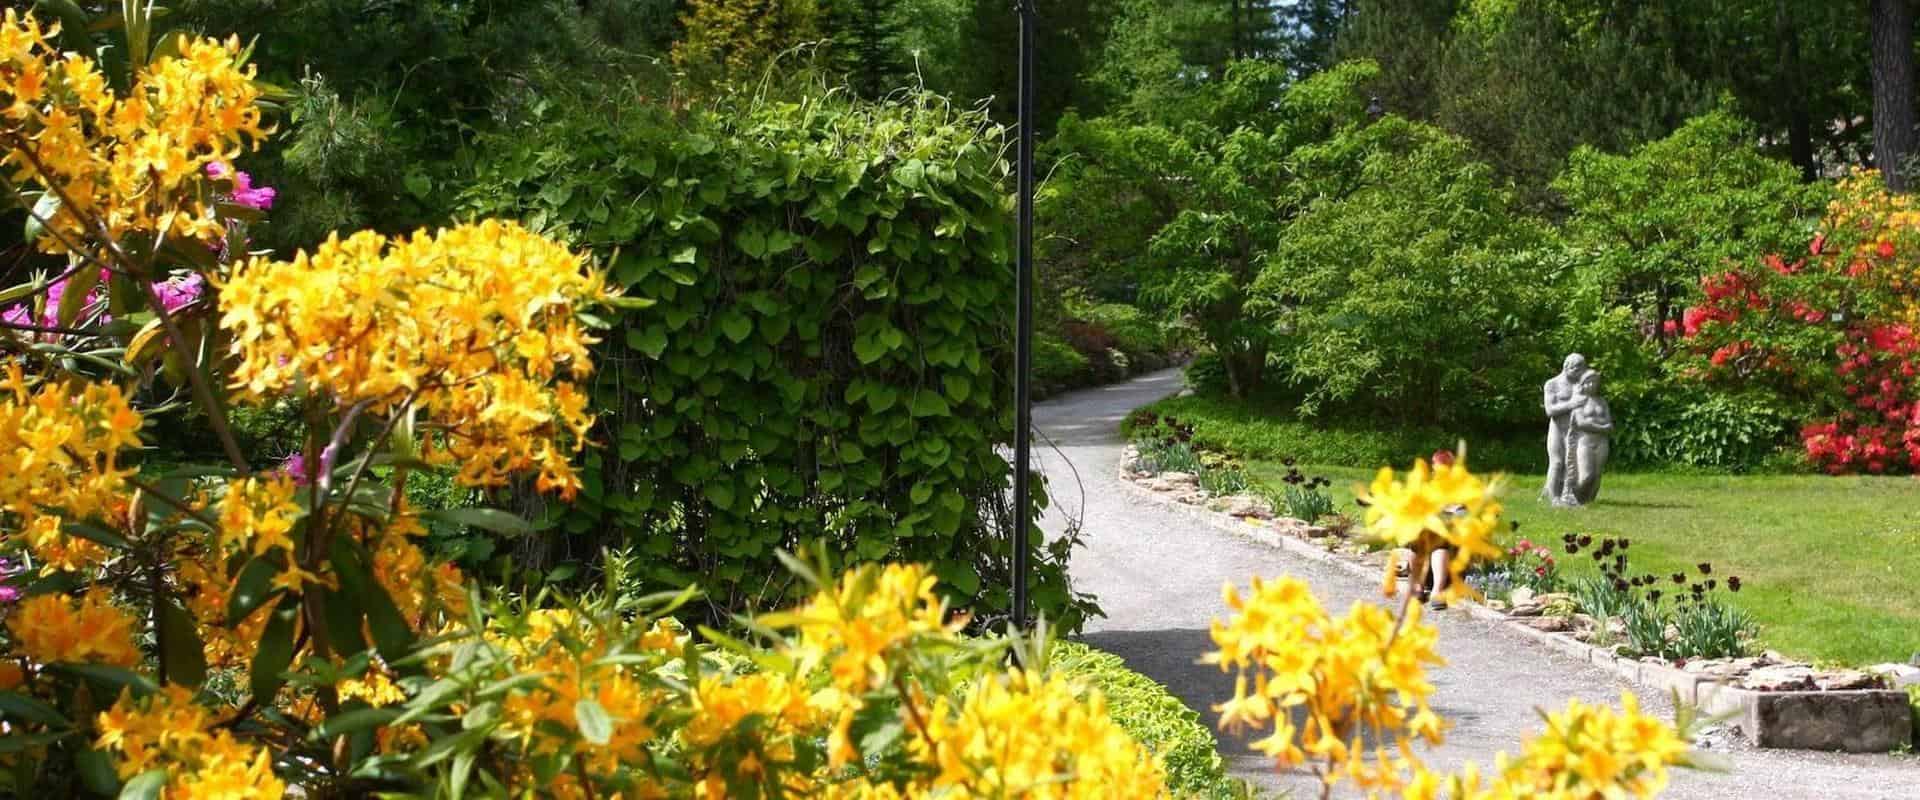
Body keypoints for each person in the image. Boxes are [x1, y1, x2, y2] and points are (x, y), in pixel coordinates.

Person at [1542, 354, 1588, 504]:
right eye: (1577, 370)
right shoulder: (1552, 384)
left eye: (1582, 370)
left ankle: (1567, 495)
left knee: (1572, 464)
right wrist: (1571, 404)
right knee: (1556, 462)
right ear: (1567, 367)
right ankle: (1554, 497)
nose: (1580, 374)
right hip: (1557, 429)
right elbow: (1550, 410)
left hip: (1574, 430)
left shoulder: (1580, 385)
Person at [1561, 370, 1613, 506]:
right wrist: (1601, 427)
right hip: (1585, 441)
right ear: (1582, 384)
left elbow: (1609, 423)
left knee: (1597, 474)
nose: (1592, 385)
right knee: (1586, 475)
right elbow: (1582, 423)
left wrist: (1594, 424)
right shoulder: (1579, 401)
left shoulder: (1602, 401)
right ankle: (1575, 497)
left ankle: (1589, 501)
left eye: (1595, 382)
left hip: (1601, 441)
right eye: (1588, 382)